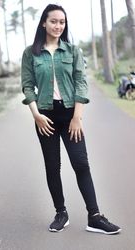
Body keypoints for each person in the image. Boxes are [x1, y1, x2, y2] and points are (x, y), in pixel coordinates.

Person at [21, 4, 121, 235]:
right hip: (44, 115)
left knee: (81, 163)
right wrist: (36, 115)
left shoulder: (73, 51)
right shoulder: (30, 53)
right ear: (43, 23)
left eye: (62, 22)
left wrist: (77, 117)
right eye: (53, 21)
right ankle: (61, 213)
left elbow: (81, 83)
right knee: (52, 166)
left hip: (70, 115)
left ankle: (94, 217)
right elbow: (28, 85)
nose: (58, 25)